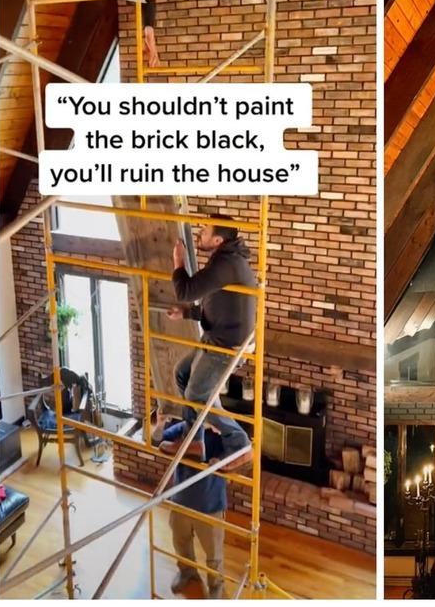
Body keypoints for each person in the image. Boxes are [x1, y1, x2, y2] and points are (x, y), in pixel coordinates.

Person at [160, 215, 256, 472]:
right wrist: (188, 313)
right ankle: (195, 441)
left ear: (217, 240)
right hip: (218, 337)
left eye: (204, 231)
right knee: (182, 374)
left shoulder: (227, 264)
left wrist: (178, 262)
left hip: (227, 347)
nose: (199, 234)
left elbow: (186, 291)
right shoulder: (225, 260)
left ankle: (240, 445)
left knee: (197, 396)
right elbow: (219, 305)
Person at [164, 421, 226, 599]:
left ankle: (215, 585)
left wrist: (220, 458)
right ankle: (187, 571)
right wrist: (159, 424)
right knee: (180, 542)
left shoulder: (223, 429)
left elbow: (239, 449)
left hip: (210, 504)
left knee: (213, 552)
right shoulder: (183, 428)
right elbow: (157, 440)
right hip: (181, 499)